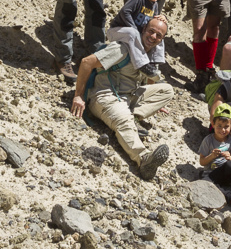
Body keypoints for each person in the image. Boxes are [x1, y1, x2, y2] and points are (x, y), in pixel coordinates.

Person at [71, 16, 173, 180]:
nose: (153, 37)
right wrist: (78, 96)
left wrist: (151, 104)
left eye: (158, 35)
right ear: (143, 30)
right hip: (105, 96)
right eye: (151, 31)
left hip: (128, 96)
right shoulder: (122, 49)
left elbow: (146, 79)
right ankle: (143, 159)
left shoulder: (148, 54)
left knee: (167, 90)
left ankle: (135, 117)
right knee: (123, 120)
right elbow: (86, 62)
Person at [109, 0, 169, 74]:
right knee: (133, 33)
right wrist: (134, 28)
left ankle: (154, 63)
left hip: (133, 36)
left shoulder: (154, 5)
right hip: (118, 31)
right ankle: (142, 64)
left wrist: (163, 18)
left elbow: (153, 22)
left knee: (158, 35)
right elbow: (125, 11)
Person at [200, 103, 231, 204]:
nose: (222, 130)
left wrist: (230, 157)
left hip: (226, 173)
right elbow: (202, 162)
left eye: (226, 126)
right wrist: (211, 156)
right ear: (213, 124)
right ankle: (230, 196)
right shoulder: (208, 140)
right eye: (219, 126)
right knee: (204, 181)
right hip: (212, 173)